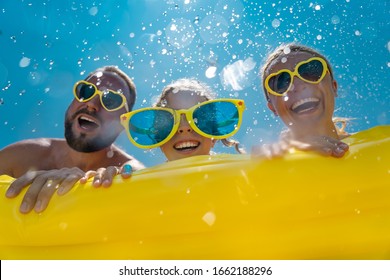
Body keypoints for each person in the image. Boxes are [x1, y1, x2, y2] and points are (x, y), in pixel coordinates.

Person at [0, 66, 144, 213]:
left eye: (111, 100)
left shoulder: (127, 169)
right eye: (86, 91)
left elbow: (141, 177)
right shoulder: (21, 156)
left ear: (123, 123)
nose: (92, 104)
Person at [252, 43, 350, 158]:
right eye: (281, 82)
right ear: (273, 108)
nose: (298, 85)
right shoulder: (269, 161)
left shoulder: (374, 143)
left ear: (333, 87)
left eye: (311, 72)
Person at [120, 78, 245, 161]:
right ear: (160, 142)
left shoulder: (239, 174)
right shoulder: (146, 188)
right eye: (169, 121)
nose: (184, 127)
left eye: (199, 118)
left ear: (214, 137)